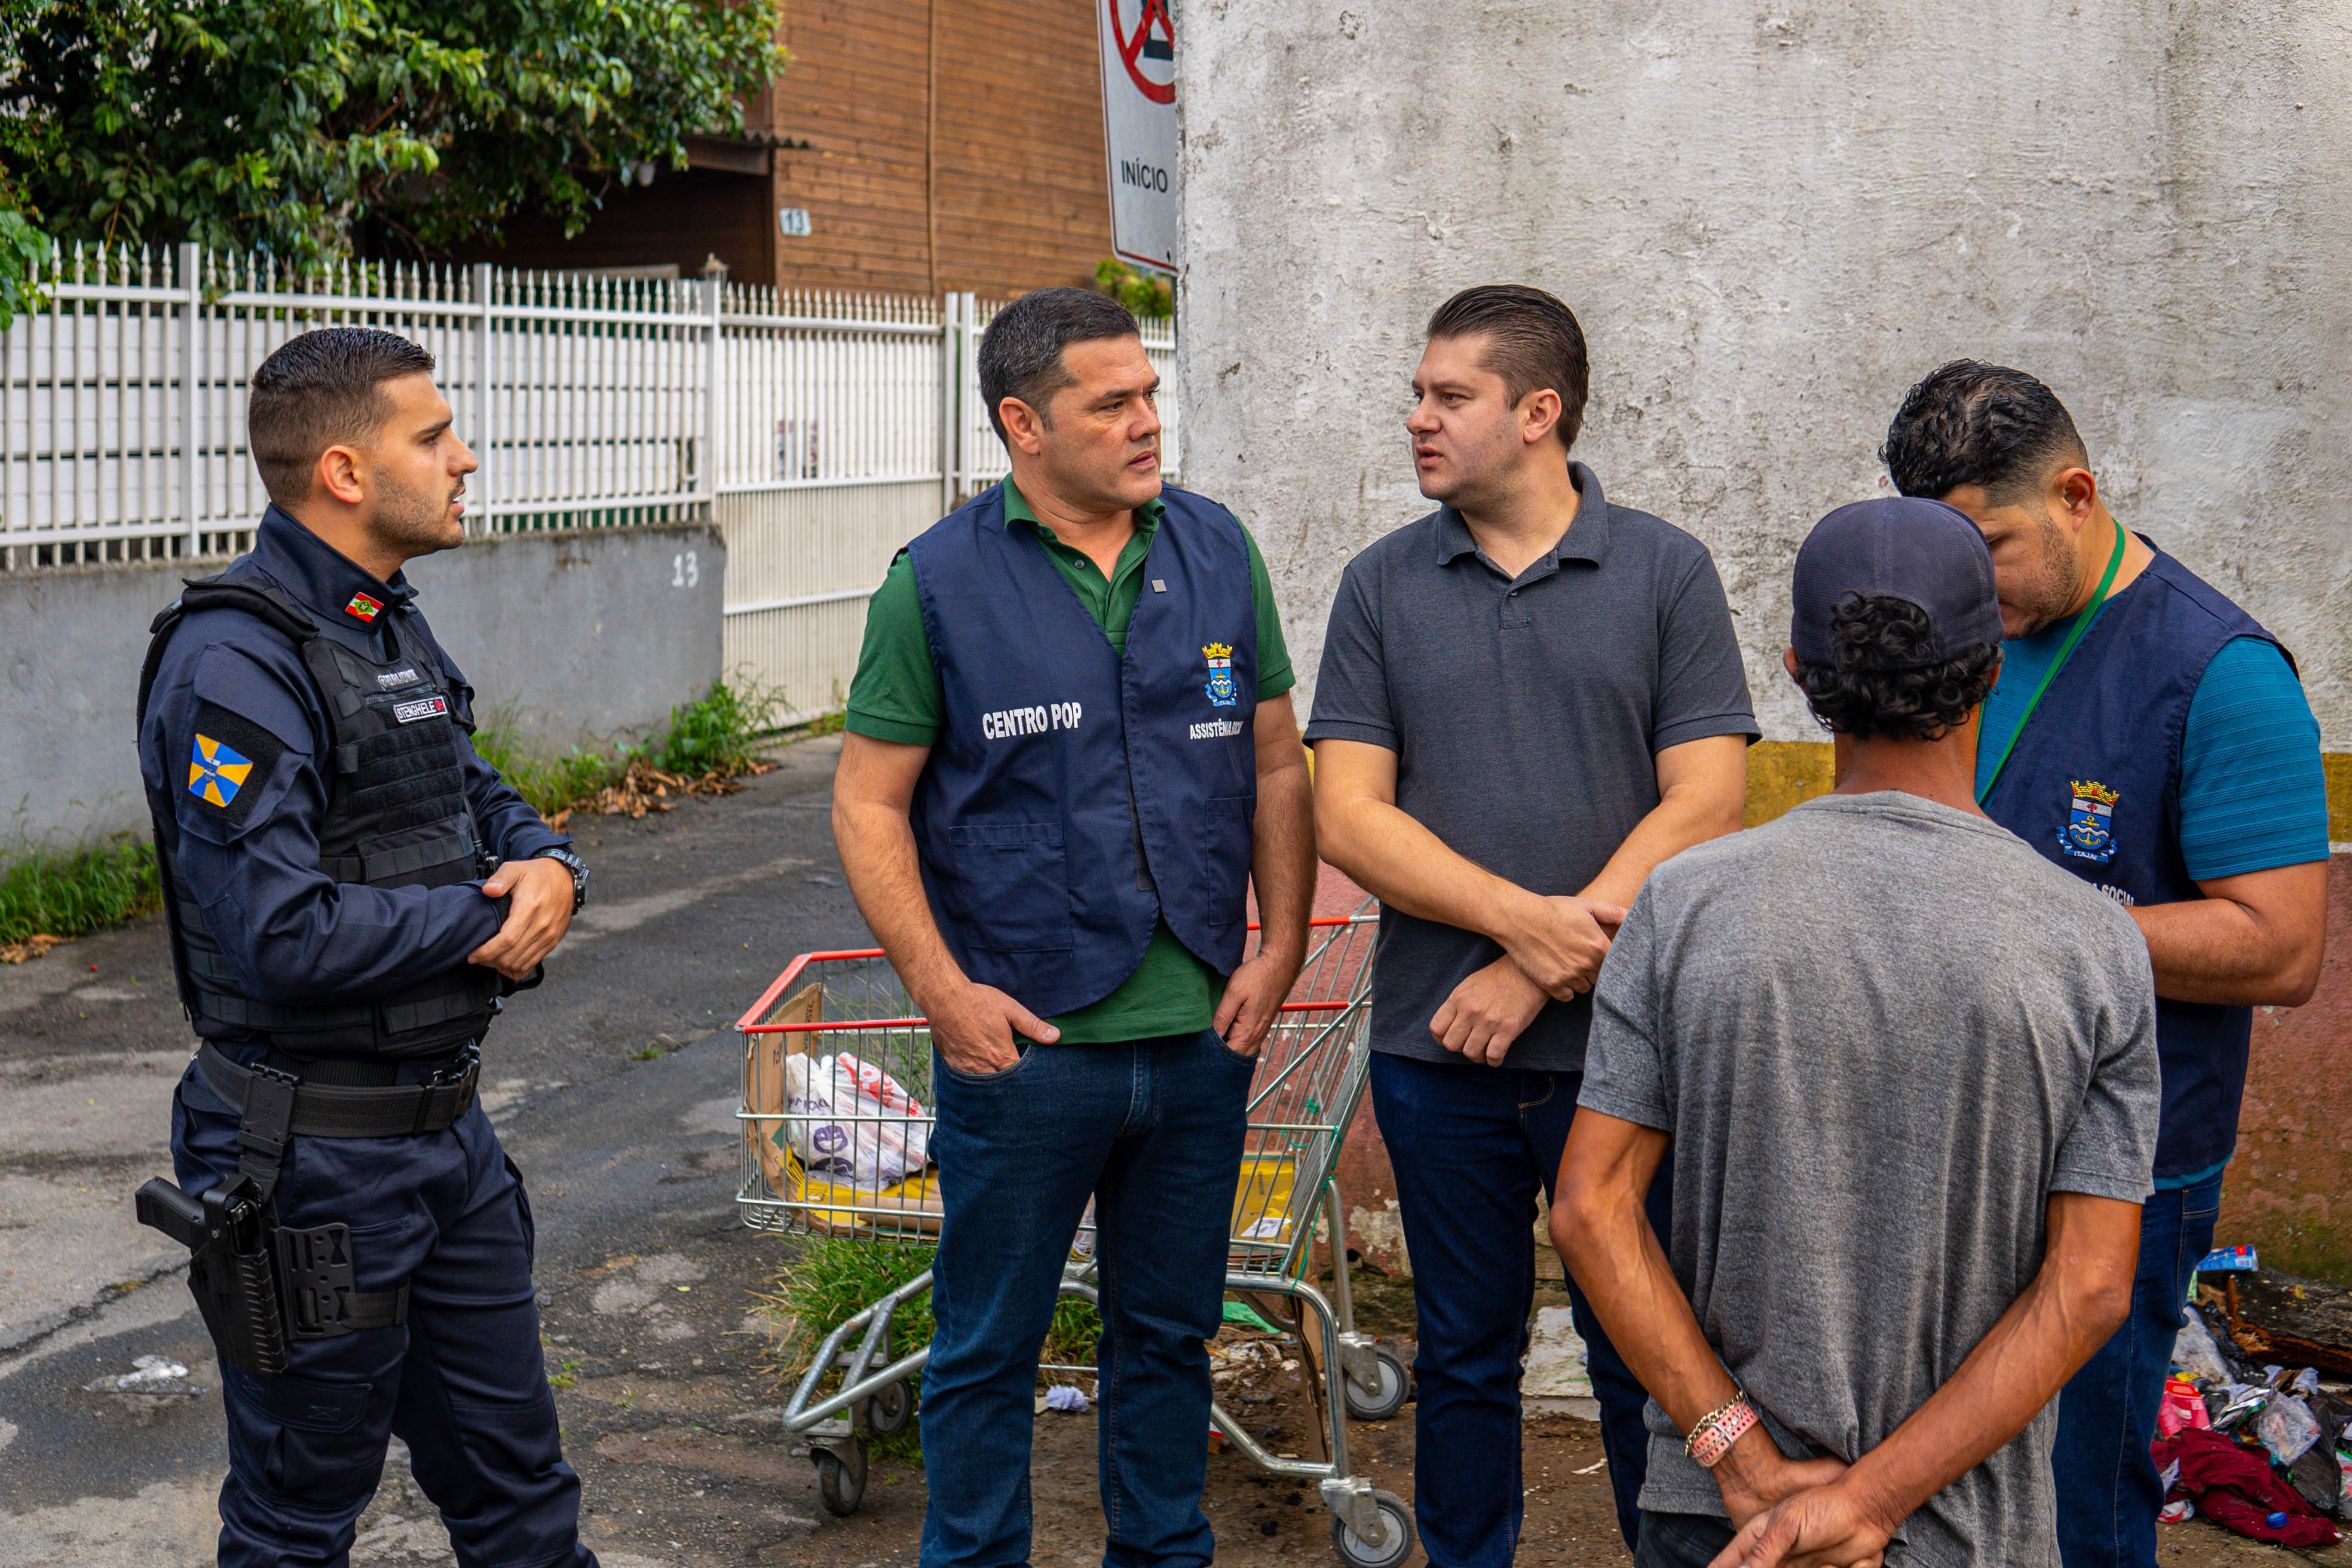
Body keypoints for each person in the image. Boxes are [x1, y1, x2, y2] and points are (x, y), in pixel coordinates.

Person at [1556, 496, 2161, 1568]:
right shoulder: (2092, 943)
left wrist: (1738, 1456)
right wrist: (1874, 1500)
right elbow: (2091, 1285)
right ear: (1990, 670)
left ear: (1795, 666)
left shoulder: (1684, 905)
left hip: (1726, 1520)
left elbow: (1592, 1210)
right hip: (1961, 1531)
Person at [831, 286, 1315, 1568]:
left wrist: (1282, 945)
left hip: (1201, 1036)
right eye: (1114, 404)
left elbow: (1276, 765)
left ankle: (1163, 1553)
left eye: (1150, 394)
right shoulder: (933, 585)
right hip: (1028, 1047)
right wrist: (941, 989)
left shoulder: (1219, 552)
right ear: (1023, 423)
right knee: (988, 1345)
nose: (1148, 423)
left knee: (1166, 1335)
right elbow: (869, 803)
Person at [1308, 283, 1757, 1563]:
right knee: (1462, 1355)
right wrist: (1526, 933)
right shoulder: (1383, 585)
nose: (1418, 419)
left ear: (1538, 412)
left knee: (1643, 1355)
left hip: (1632, 1052)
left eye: (1450, 396)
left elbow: (1709, 797)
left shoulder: (1665, 570)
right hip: (1436, 1049)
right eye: (1419, 393)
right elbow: (1349, 813)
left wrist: (1536, 968)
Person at [134, 327, 596, 1566]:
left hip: (446, 1138)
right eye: (435, 437)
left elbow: (474, 789)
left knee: (523, 1498)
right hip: (309, 1165)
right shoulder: (233, 658)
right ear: (345, 470)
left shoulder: (382, 623)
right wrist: (494, 917)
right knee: (298, 1520)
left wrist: (551, 862)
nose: (468, 459)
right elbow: (282, 936)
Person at [1881, 362, 2332, 1568]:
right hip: (1953, 1139)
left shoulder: (2220, 672)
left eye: (1992, 547)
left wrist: (2033, 924)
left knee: (2076, 1491)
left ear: (2077, 493)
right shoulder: (1968, 624)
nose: (1967, 588)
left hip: (2123, 1161)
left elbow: (2281, 946)